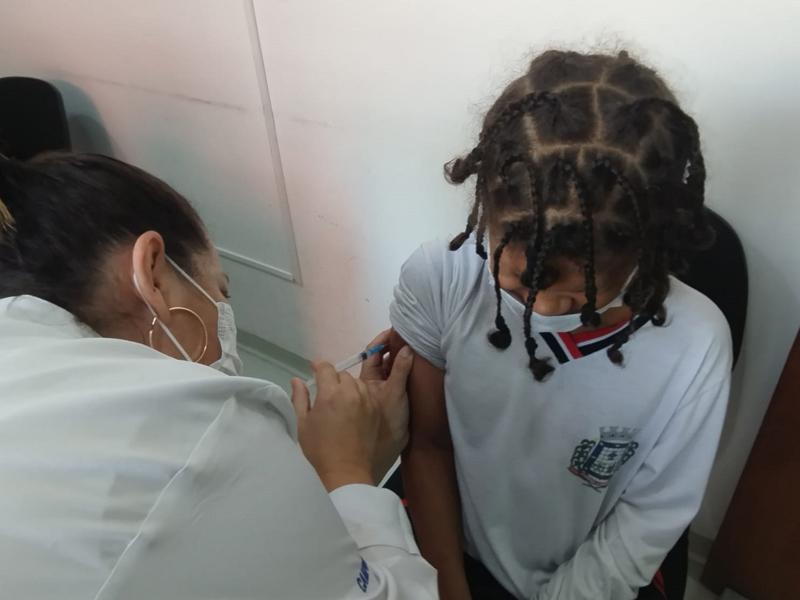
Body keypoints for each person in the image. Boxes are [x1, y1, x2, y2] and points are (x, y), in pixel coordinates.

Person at [0, 153, 437, 599]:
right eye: (219, 290)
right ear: (152, 272)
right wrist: (349, 471)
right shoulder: (202, 426)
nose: (224, 314)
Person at [390, 50, 731, 600]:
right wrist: (450, 588)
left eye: (578, 295)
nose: (544, 312)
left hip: (593, 576)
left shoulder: (696, 344)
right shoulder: (441, 277)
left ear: (647, 248)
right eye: (519, 285)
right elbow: (426, 445)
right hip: (451, 547)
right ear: (489, 209)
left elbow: (648, 516)